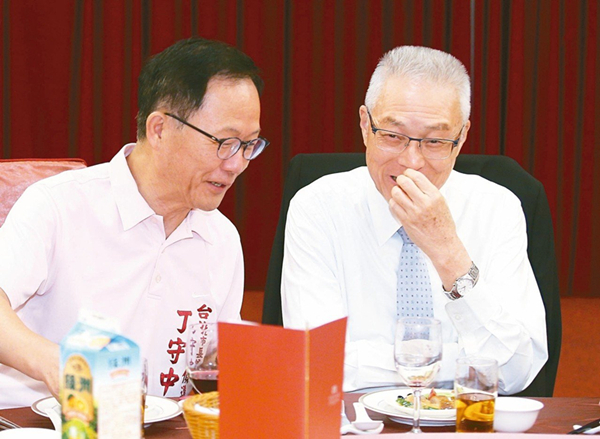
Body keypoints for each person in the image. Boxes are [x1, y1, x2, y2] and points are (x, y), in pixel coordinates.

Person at [0, 38, 269, 408]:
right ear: (159, 129)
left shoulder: (221, 238)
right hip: (43, 423)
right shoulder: (57, 205)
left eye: (249, 145)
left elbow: (216, 363)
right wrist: (57, 364)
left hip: (163, 426)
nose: (237, 164)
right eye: (224, 142)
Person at [281, 46, 547, 394]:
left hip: (462, 420)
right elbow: (316, 361)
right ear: (365, 125)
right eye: (393, 136)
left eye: (434, 141)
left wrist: (447, 250)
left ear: (461, 138)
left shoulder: (497, 209)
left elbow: (515, 370)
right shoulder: (318, 207)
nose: (412, 161)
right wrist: (459, 363)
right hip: (354, 419)